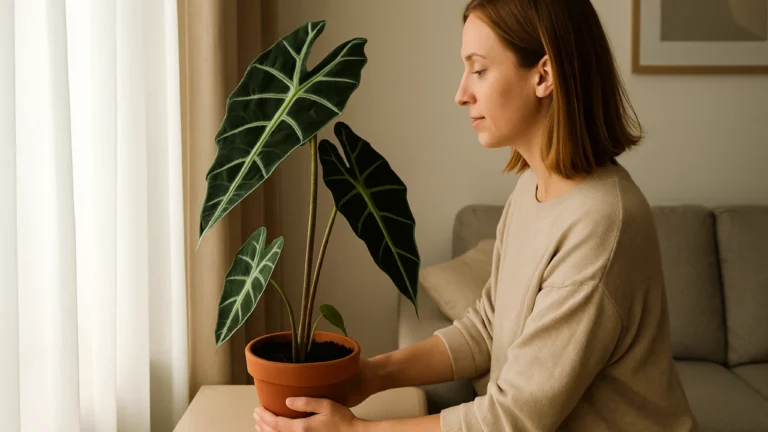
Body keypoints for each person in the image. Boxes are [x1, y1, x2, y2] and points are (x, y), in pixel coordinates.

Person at [253, 0, 699, 431]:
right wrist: (371, 375)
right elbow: (487, 329)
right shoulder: (533, 188)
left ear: (544, 75)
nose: (461, 93)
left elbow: (515, 418)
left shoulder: (601, 222)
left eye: (479, 69)